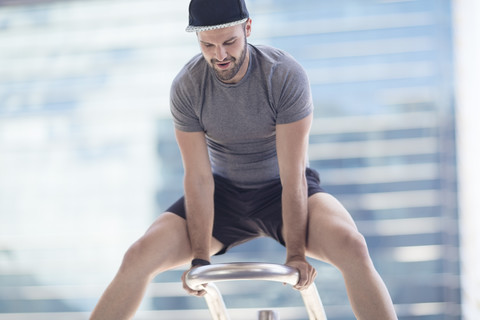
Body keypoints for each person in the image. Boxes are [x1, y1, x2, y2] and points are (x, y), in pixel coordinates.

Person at [90, 0, 398, 319]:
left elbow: (292, 174)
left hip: (283, 189)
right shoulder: (188, 87)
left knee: (352, 246)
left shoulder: (283, 75)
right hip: (223, 197)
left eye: (229, 42)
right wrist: (199, 260)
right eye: (207, 45)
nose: (220, 55)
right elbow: (198, 178)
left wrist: (295, 254)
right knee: (138, 256)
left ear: (247, 29)